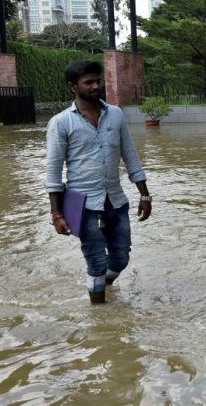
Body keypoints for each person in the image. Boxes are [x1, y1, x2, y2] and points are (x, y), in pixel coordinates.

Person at [45, 60, 152, 304]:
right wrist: (56, 215)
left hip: (115, 199)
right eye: (89, 82)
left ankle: (103, 286)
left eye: (97, 81)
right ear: (73, 86)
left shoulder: (115, 114)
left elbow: (131, 156)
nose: (96, 86)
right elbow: (53, 173)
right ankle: (100, 320)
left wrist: (144, 195)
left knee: (121, 257)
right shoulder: (61, 123)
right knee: (95, 259)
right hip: (83, 204)